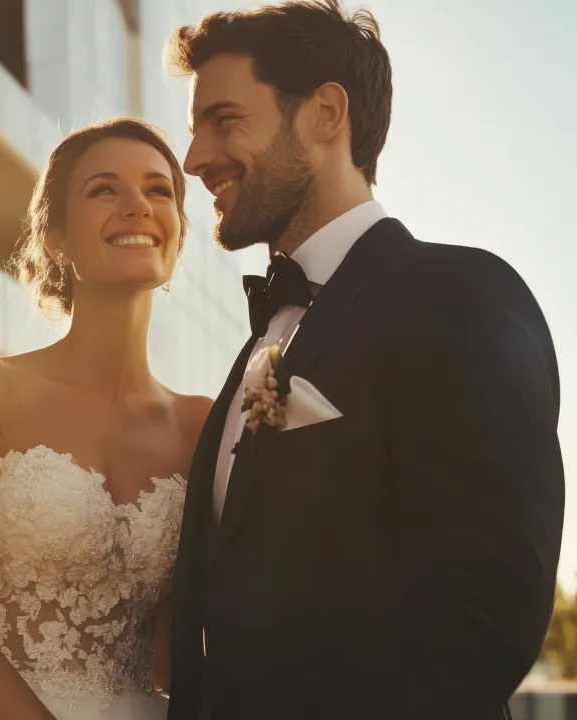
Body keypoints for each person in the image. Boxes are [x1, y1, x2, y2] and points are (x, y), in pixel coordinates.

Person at [163, 2, 565, 719]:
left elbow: (485, 621)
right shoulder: (256, 345)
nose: (194, 158)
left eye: (222, 120)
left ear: (324, 114)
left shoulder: (462, 296)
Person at [0, 117, 212, 720]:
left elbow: (184, 652)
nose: (137, 206)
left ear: (177, 233)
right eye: (103, 189)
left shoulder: (203, 426)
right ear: (56, 238)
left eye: (158, 189)